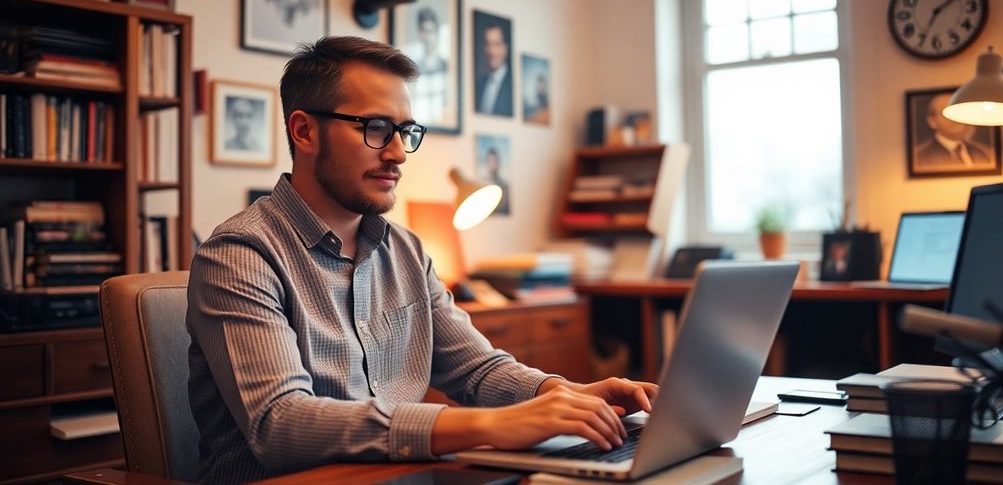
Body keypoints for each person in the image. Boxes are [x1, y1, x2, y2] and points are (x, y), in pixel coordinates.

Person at [186, 36, 657, 483]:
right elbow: (282, 423)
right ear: (305, 131)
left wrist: (562, 393)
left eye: (405, 132)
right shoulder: (241, 254)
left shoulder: (406, 251)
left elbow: (476, 369)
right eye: (375, 128)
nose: (398, 153)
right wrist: (489, 425)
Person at [914, 93, 993, 169]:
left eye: (957, 112)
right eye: (946, 114)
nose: (954, 119)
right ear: (932, 121)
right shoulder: (920, 156)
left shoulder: (983, 152)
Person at [410, 7, 447, 125]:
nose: (428, 37)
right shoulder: (414, 67)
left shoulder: (445, 66)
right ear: (420, 34)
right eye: (424, 31)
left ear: (437, 33)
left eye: (430, 31)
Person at [475, 21, 512, 116]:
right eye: (488, 44)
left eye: (496, 44)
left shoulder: (513, 84)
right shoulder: (479, 84)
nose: (492, 51)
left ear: (505, 48)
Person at [484, 146, 510, 214]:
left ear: (498, 163)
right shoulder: (481, 186)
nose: (492, 165)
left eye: (494, 162)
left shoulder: (504, 186)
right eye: (489, 161)